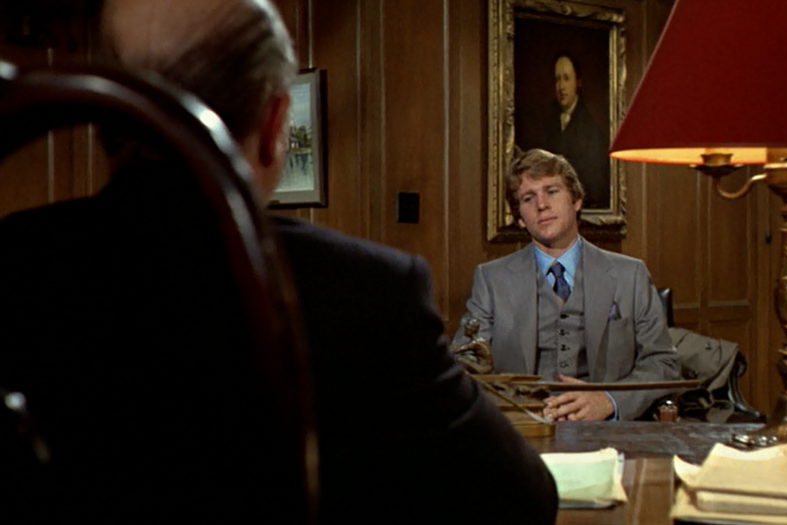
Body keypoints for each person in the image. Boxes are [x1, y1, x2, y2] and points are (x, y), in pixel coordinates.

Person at [0, 0, 558, 523]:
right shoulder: (365, 290)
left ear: (105, 122)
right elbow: (518, 498)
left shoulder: (12, 263)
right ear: (273, 126)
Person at [452, 149, 679, 422]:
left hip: (606, 431)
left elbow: (663, 361)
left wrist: (609, 401)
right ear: (520, 217)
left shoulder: (630, 275)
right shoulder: (491, 279)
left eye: (551, 191)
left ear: (576, 200)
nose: (541, 205)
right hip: (523, 429)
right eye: (528, 198)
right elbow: (465, 366)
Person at [542, 52, 611, 209]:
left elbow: (595, 186)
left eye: (566, 79)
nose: (561, 87)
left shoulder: (590, 131)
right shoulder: (549, 123)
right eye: (557, 79)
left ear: (578, 82)